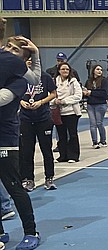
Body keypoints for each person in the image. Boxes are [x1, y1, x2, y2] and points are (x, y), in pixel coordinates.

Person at [0, 24, 41, 250]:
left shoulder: (19, 79)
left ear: (22, 60)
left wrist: (36, 55)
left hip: (5, 136)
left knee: (13, 186)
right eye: (8, 45)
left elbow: (3, 99)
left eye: (15, 50)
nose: (9, 50)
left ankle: (31, 231)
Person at [8, 38, 58, 191]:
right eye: (27, 61)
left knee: (46, 149)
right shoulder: (19, 76)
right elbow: (13, 93)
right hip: (25, 118)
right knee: (26, 151)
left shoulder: (44, 77)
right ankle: (28, 179)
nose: (29, 63)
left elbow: (54, 93)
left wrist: (42, 102)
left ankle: (49, 178)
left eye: (32, 60)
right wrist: (21, 102)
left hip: (43, 117)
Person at [54, 62, 83, 163]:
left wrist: (64, 101)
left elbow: (78, 96)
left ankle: (73, 156)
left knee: (72, 134)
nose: (65, 71)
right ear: (59, 71)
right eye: (63, 69)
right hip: (58, 112)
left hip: (71, 112)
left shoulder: (73, 81)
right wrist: (55, 101)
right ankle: (63, 155)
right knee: (61, 135)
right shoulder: (54, 81)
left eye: (67, 69)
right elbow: (51, 94)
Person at [83, 63, 108, 148]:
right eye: (98, 69)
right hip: (90, 104)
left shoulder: (104, 81)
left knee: (99, 123)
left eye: (101, 70)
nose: (100, 71)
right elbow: (87, 92)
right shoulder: (89, 81)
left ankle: (103, 140)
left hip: (100, 104)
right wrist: (85, 93)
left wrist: (92, 92)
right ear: (93, 70)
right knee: (92, 124)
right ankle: (94, 142)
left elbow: (104, 94)